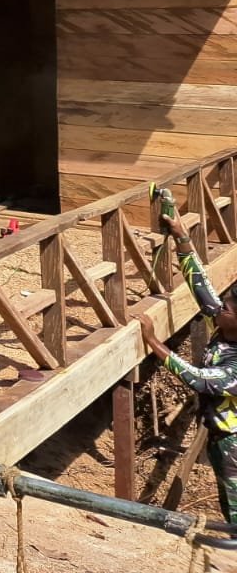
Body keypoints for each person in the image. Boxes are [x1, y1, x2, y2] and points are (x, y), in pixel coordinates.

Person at [140, 191, 237, 526]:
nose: (220, 307)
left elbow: (197, 377)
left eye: (227, 308)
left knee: (236, 501)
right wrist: (181, 236)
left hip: (233, 441)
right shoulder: (226, 328)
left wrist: (154, 341)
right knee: (228, 497)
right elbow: (201, 286)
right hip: (219, 435)